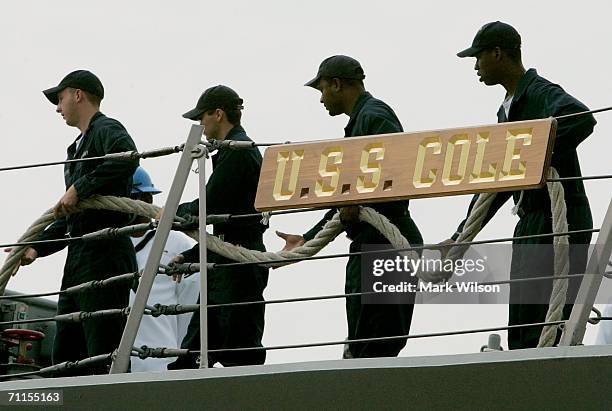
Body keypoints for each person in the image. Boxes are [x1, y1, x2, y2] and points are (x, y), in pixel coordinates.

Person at [451, 21, 596, 349]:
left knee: (548, 320)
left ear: (498, 54)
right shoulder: (507, 110)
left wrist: (538, 162)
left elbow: (581, 118)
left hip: (558, 220)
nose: (475, 66)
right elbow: (498, 183)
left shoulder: (540, 92)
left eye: (478, 57)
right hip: (530, 221)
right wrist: (461, 236)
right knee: (522, 323)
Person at [277, 55, 423, 358]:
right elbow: (347, 199)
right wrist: (308, 238)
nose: (321, 99)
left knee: (377, 345)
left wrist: (362, 202)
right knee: (363, 342)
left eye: (321, 90)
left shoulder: (374, 117)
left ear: (336, 84)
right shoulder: (362, 122)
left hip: (386, 243)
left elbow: (396, 172)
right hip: (372, 242)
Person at [13, 70, 139, 374]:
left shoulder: (107, 128)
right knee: (65, 353)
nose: (58, 107)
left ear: (78, 94)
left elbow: (127, 158)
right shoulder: (76, 148)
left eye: (60, 98)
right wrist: (36, 248)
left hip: (105, 255)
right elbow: (73, 213)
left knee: (102, 351)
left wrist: (80, 187)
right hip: (79, 257)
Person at [167, 85, 269, 369]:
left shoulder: (237, 153)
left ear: (219, 114)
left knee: (239, 355)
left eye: (202, 117)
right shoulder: (230, 151)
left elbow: (210, 205)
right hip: (227, 261)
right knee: (195, 354)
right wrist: (189, 257)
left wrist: (170, 213)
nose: (200, 125)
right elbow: (224, 224)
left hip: (238, 266)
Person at [127, 167, 200, 372]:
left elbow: (190, 307)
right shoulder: (108, 246)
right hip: (115, 360)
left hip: (159, 361)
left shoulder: (177, 245)